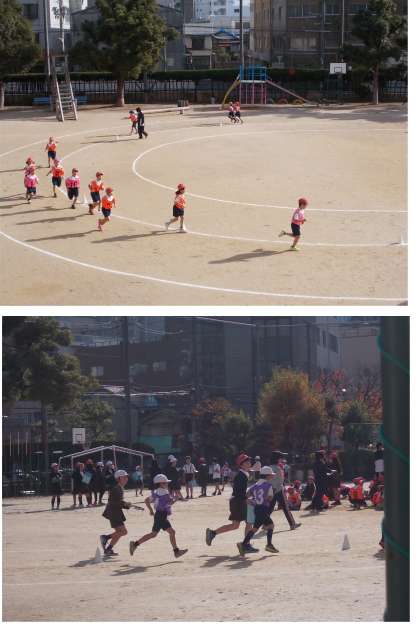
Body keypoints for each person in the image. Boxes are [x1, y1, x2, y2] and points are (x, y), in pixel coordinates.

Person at [205, 453, 257, 553]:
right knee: (248, 523)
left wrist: (247, 497)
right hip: (238, 502)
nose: (249, 463)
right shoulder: (241, 476)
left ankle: (212, 533)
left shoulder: (243, 474)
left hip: (237, 502)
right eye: (247, 461)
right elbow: (239, 492)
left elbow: (239, 491)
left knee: (236, 525)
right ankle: (245, 545)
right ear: (242, 464)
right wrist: (247, 499)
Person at [129, 474, 187, 558]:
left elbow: (146, 500)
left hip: (159, 515)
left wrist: (151, 510)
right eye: (165, 482)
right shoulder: (164, 492)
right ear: (161, 483)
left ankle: (135, 544)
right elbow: (168, 504)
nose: (167, 484)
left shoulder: (156, 492)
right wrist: (176, 499)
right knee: (170, 532)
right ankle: (176, 552)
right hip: (161, 516)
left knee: (155, 534)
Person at [237, 466, 278, 555]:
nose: (272, 476)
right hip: (263, 509)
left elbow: (247, 495)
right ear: (267, 476)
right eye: (271, 475)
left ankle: (268, 545)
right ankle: (244, 544)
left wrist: (252, 501)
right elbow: (270, 498)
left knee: (269, 525)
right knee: (257, 528)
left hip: (257, 508)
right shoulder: (268, 485)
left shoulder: (254, 485)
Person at [100, 469, 132, 556]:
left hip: (114, 512)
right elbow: (113, 502)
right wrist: (125, 504)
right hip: (114, 513)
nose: (126, 479)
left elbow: (117, 502)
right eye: (124, 477)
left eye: (126, 477)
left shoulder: (119, 488)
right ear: (118, 479)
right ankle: (105, 537)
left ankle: (108, 549)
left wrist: (126, 505)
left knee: (119, 533)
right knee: (124, 532)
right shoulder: (116, 488)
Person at [269, 451, 301, 530]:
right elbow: (281, 481)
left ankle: (265, 523)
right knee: (286, 508)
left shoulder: (269, 468)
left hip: (270, 490)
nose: (282, 459)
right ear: (277, 459)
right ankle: (292, 524)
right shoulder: (278, 468)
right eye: (281, 457)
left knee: (270, 508)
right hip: (279, 490)